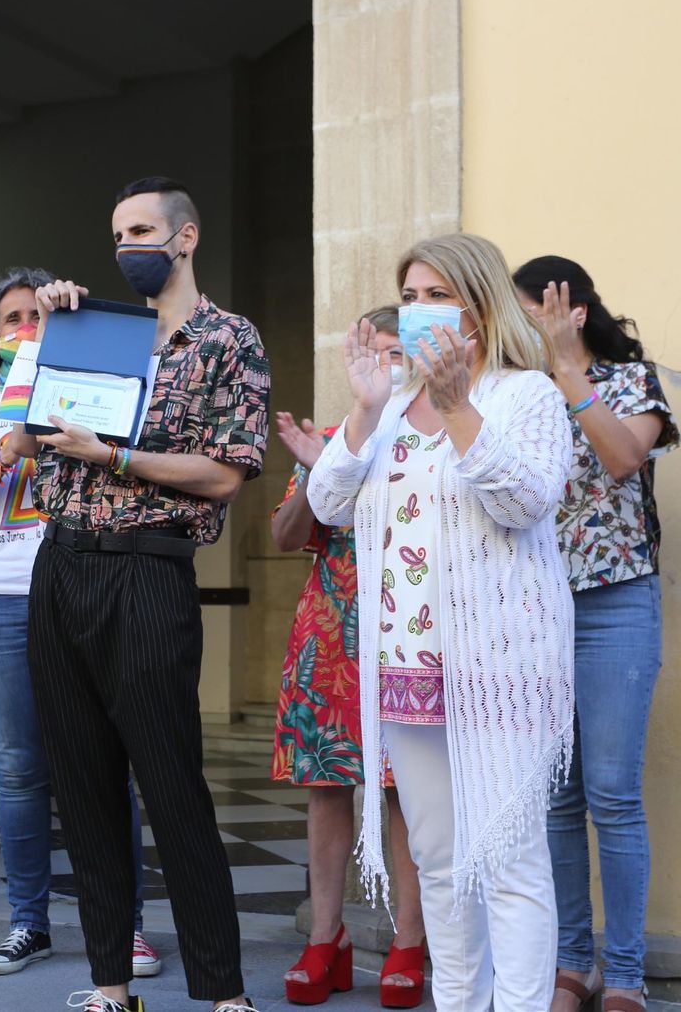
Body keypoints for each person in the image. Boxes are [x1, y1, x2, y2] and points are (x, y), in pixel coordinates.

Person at [14, 177, 270, 1012]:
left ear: (185, 238)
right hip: (61, 566)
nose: (128, 248)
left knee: (171, 783)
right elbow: (21, 435)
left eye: (142, 231)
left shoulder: (228, 339)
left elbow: (226, 475)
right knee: (81, 787)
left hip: (149, 570)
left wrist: (113, 456)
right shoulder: (91, 327)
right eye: (118, 234)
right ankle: (110, 988)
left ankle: (223, 993)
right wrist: (42, 338)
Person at [307, 233, 573, 1012]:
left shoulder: (527, 394)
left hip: (500, 669)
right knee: (438, 857)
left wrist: (459, 411)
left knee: (511, 860)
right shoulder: (389, 405)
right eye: (411, 298)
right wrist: (360, 410)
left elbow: (525, 502)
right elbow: (327, 504)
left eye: (435, 296)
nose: (420, 312)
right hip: (408, 669)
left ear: (480, 304)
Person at [0, 266, 159, 978]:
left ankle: (124, 928)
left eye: (38, 316)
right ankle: (28, 923)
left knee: (105, 768)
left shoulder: (98, 402)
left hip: (84, 592)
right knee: (19, 771)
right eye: (12, 320)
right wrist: (8, 450)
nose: (25, 328)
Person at [513, 257, 678, 1012]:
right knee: (556, 800)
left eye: (535, 311)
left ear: (573, 311)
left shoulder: (631, 380)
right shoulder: (513, 394)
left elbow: (623, 457)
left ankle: (629, 974)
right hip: (533, 612)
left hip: (616, 606)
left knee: (612, 796)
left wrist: (572, 373)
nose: (522, 327)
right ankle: (570, 965)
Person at [271, 305, 427, 1009]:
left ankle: (409, 942)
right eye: (376, 350)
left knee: (405, 792)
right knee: (327, 788)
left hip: (406, 635)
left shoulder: (431, 440)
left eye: (398, 351)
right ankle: (324, 939)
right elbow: (284, 534)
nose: (387, 363)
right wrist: (315, 471)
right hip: (331, 637)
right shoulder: (338, 436)